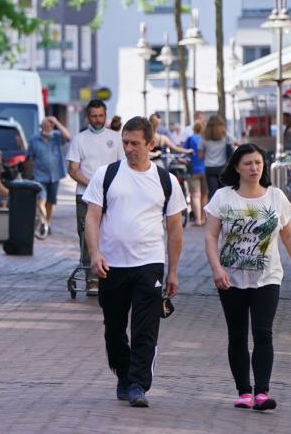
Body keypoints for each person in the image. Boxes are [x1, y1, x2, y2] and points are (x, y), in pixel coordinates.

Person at [83, 116, 186, 408]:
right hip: (111, 264)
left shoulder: (166, 180)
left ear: (151, 144)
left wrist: (173, 271)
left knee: (145, 327)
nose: (128, 148)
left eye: (134, 143)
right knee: (114, 328)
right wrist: (94, 254)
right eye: (124, 142)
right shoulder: (107, 174)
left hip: (150, 262)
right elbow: (92, 217)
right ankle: (124, 372)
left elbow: (175, 228)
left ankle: (138, 384)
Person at [204, 143, 291, 411]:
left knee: (263, 333)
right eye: (248, 163)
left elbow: (288, 236)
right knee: (237, 335)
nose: (254, 168)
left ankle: (262, 392)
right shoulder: (223, 197)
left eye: (258, 163)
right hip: (231, 280)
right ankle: (243, 391)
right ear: (237, 167)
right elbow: (210, 236)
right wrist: (217, 268)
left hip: (268, 278)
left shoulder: (275, 197)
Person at [66, 99, 124, 296]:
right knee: (86, 235)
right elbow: (72, 170)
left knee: (111, 234)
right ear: (87, 117)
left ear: (105, 115)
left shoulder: (116, 138)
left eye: (101, 116)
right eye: (94, 116)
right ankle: (92, 279)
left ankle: (111, 275)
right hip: (85, 196)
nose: (98, 120)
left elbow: (123, 166)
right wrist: (93, 183)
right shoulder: (79, 139)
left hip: (111, 196)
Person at [28, 116, 71, 232]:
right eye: (46, 125)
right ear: (41, 127)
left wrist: (57, 122)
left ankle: (47, 223)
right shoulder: (34, 139)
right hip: (39, 176)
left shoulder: (57, 136)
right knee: (41, 199)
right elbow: (30, 157)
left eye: (51, 125)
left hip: (55, 175)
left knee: (51, 201)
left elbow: (68, 136)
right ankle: (43, 222)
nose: (49, 127)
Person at [202, 115, 235, 199]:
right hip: (222, 168)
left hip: (209, 168)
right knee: (224, 192)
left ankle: (213, 211)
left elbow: (200, 156)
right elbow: (237, 143)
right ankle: (224, 211)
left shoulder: (204, 137)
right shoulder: (225, 136)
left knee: (212, 192)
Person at [183, 121, 207, 226]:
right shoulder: (206, 139)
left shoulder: (190, 138)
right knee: (204, 195)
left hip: (193, 170)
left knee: (195, 195)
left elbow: (184, 152)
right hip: (206, 169)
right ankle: (203, 218)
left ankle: (197, 220)